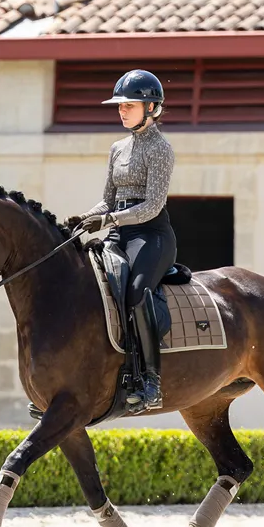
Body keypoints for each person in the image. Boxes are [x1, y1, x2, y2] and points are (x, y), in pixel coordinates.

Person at [67, 69, 177, 411]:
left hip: (151, 235)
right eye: (120, 105)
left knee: (136, 292)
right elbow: (108, 200)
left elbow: (153, 205)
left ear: (152, 107)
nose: (122, 110)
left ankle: (151, 382)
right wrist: (87, 218)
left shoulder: (160, 149)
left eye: (130, 105)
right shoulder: (117, 149)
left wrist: (110, 218)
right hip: (117, 233)